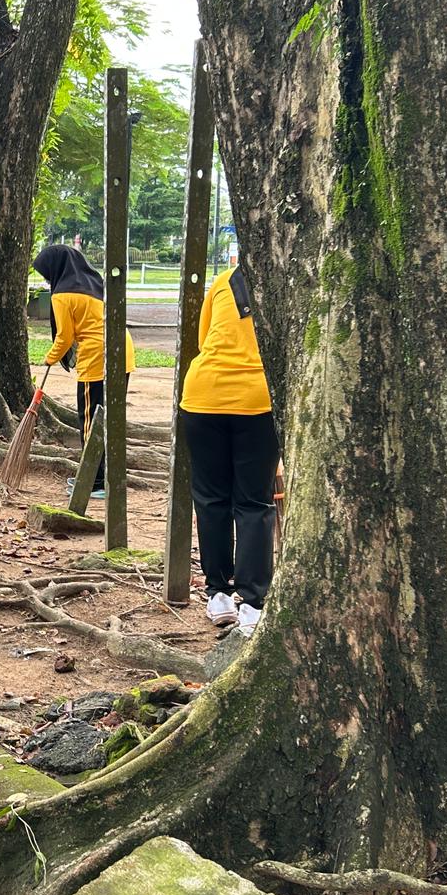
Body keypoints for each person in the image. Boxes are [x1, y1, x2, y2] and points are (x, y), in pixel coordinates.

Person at [181, 264, 278, 638]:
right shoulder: (284, 280)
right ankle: (253, 602)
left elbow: (205, 339)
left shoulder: (224, 280)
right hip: (257, 400)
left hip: (204, 395)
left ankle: (218, 593)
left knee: (210, 499)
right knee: (254, 502)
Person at [34, 245, 134, 499]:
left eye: (46, 274)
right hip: (123, 352)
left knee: (90, 420)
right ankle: (103, 476)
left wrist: (49, 359)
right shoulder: (94, 285)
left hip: (98, 360)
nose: (47, 280)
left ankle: (96, 482)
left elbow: (65, 337)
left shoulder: (62, 295)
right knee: (109, 418)